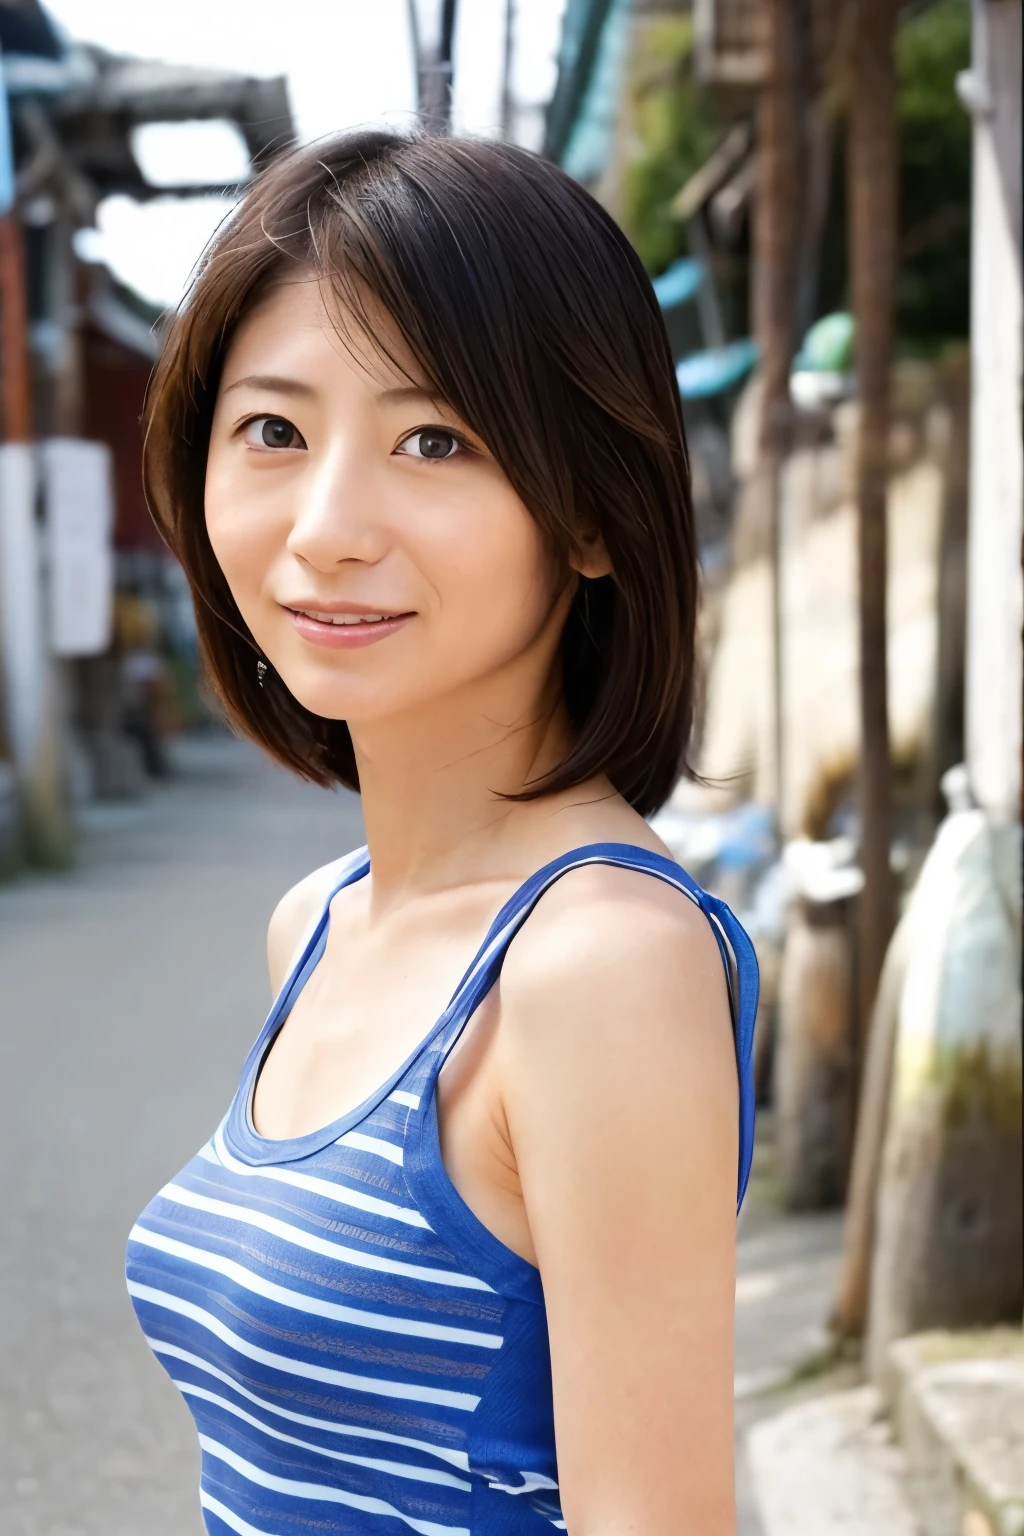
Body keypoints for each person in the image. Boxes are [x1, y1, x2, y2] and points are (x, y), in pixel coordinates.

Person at [126, 129, 758, 1536]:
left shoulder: (596, 970)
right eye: (274, 432)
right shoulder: (318, 923)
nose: (330, 527)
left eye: (434, 440)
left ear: (593, 512)